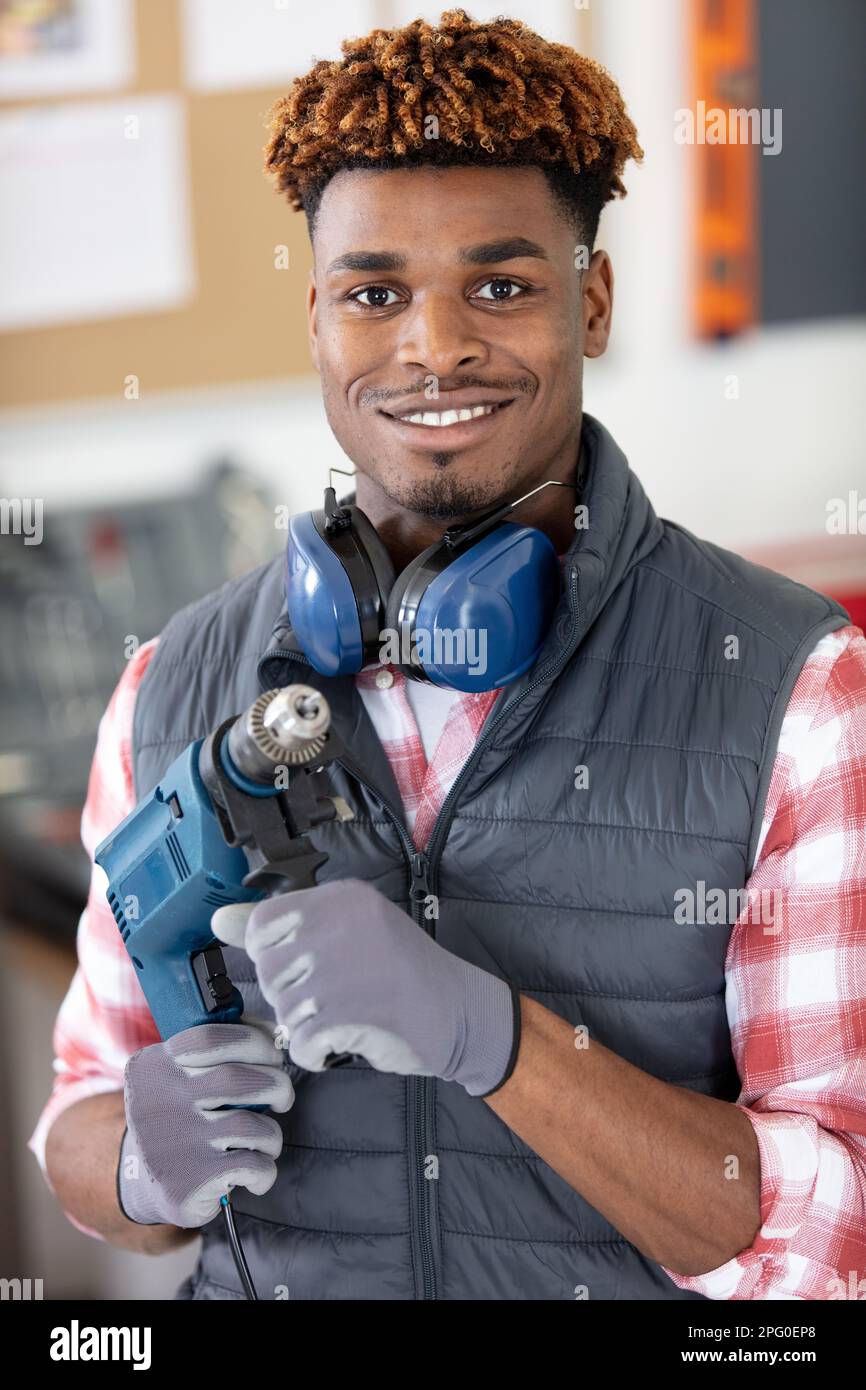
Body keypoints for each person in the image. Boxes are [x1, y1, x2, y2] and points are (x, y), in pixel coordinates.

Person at [31, 8, 865, 1300]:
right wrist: (138, 1158)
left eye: (500, 284)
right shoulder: (168, 688)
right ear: (316, 318)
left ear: (588, 300)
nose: (432, 346)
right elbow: (79, 1114)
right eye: (375, 294)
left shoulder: (794, 691)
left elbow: (826, 1245)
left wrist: (490, 1034)